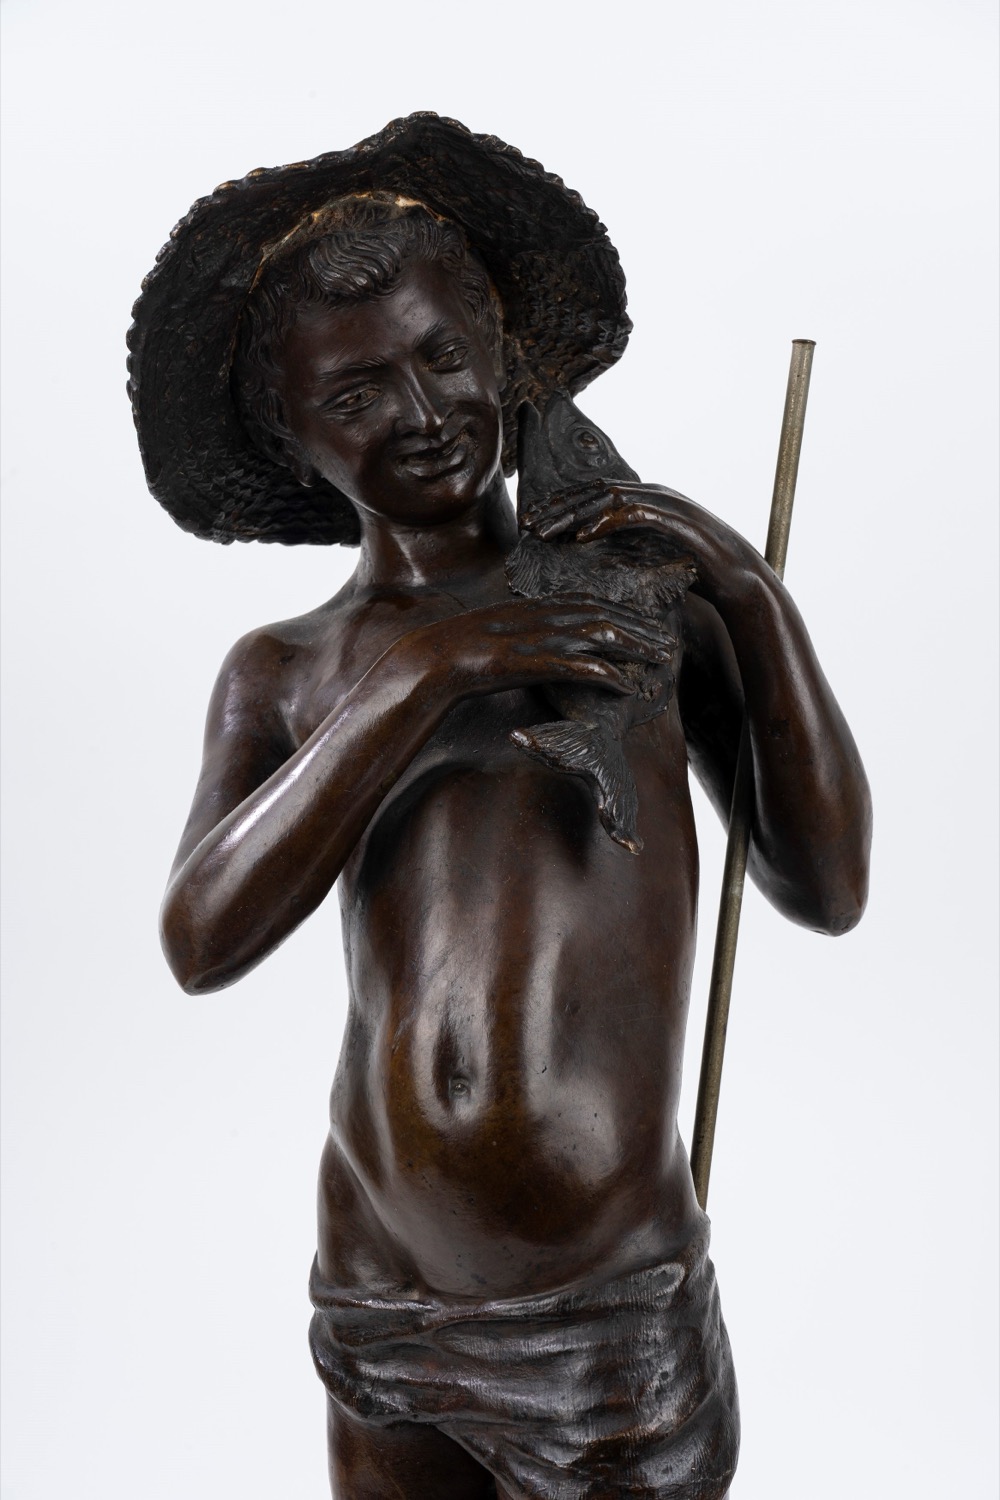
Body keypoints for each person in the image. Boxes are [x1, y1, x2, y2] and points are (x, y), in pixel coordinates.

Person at [129, 115, 871, 1500]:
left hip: (602, 1314)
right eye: (356, 392)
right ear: (291, 434)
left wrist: (751, 601)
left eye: (444, 357)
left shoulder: (635, 611)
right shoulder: (289, 670)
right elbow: (200, 938)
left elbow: (827, 890)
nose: (421, 412)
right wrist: (424, 677)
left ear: (504, 352)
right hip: (378, 1291)